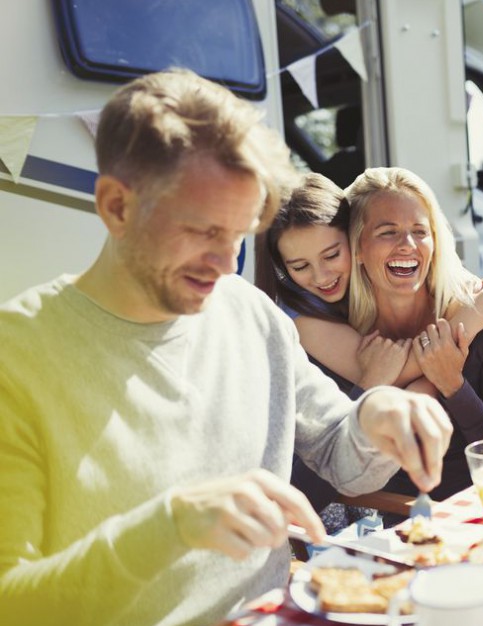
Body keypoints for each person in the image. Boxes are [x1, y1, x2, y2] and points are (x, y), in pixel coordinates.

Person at [0, 69, 451, 626]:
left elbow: (345, 457)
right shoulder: (16, 358)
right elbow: (12, 602)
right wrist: (170, 526)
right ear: (116, 206)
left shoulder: (252, 315)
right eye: (202, 231)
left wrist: (376, 414)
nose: (225, 263)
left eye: (238, 234)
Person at [257, 173, 483, 517]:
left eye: (331, 255)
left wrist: (445, 380)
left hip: (466, 508)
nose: (322, 276)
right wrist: (466, 325)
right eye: (300, 266)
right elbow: (401, 368)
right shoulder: (306, 323)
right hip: (360, 515)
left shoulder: (468, 304)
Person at [346, 167, 483, 500]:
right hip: (391, 523)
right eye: (388, 232)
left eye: (419, 230)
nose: (408, 245)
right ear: (357, 248)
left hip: (482, 513)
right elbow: (336, 453)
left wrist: (453, 386)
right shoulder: (344, 334)